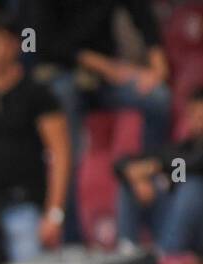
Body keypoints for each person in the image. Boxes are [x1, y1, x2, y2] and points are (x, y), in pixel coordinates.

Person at [26, 0, 171, 243]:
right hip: (61, 73)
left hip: (103, 78)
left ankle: (147, 174)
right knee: (66, 147)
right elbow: (40, 42)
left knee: (159, 99)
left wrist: (158, 68)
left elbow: (142, 15)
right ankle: (71, 239)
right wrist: (105, 66)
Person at [0, 14, 70, 263]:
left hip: (24, 202)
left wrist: (54, 213)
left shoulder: (38, 94)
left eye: (1, 41)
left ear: (16, 45)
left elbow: (60, 154)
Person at [114, 86, 203, 257]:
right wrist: (137, 177)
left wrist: (157, 166)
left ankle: (166, 256)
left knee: (194, 186)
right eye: (196, 114)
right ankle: (127, 251)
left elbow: (201, 165)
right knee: (132, 181)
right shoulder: (181, 148)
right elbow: (122, 163)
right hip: (176, 221)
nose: (201, 120)